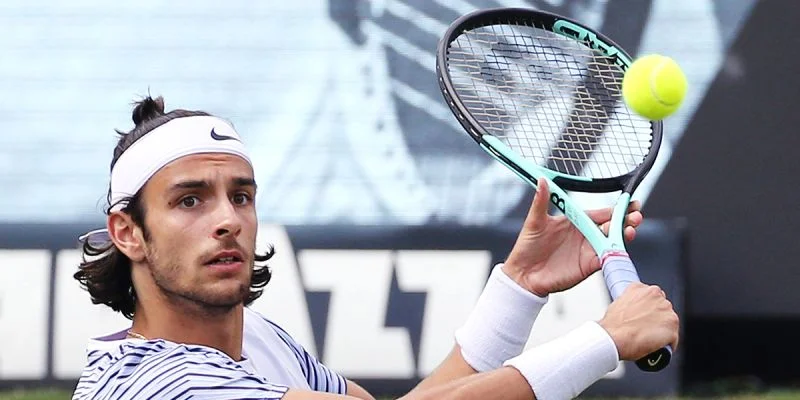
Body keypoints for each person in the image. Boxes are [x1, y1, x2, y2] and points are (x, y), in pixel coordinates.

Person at [72, 96, 679, 400]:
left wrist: (519, 289)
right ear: (128, 232)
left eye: (242, 196)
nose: (228, 220)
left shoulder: (258, 339)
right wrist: (605, 341)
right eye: (190, 201)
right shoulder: (152, 383)